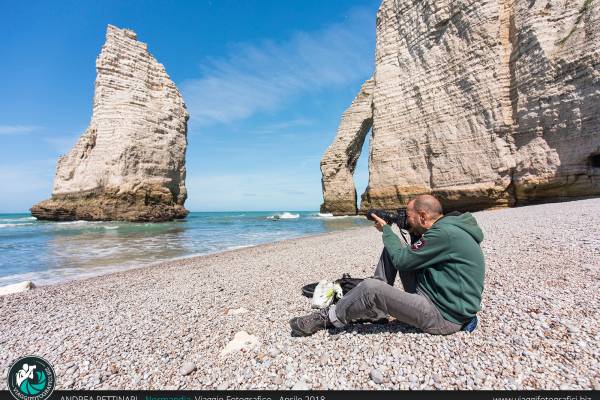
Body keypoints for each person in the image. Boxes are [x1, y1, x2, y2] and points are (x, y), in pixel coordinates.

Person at [289, 194, 485, 336]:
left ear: (423, 216)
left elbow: (403, 261)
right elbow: (405, 254)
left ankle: (327, 318)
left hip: (443, 316)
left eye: (408, 217)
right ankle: (374, 309)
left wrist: (386, 230)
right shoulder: (448, 228)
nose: (406, 220)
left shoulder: (444, 234)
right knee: (394, 250)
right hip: (440, 296)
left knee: (370, 286)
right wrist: (406, 229)